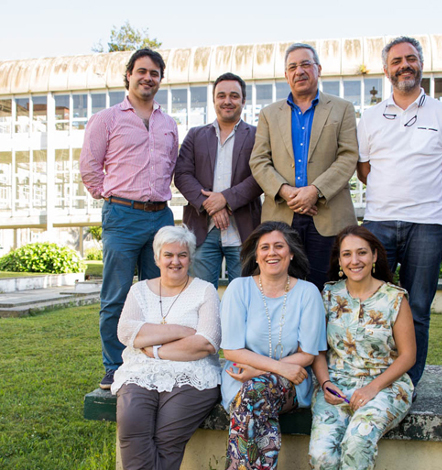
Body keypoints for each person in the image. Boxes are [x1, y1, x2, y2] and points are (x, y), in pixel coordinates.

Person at [357, 36, 442, 389]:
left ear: (421, 63)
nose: (405, 64)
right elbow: (364, 169)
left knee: (417, 308)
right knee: (376, 307)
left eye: (411, 58)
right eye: (397, 60)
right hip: (379, 222)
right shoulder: (370, 117)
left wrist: (423, 195)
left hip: (427, 225)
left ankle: (409, 383)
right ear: (386, 69)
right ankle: (375, 377)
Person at [80, 48, 178, 390]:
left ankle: (153, 357)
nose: (147, 77)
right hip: (122, 216)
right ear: (129, 75)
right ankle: (113, 365)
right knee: (116, 295)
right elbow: (90, 169)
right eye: (141, 71)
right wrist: (112, 198)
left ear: (160, 79)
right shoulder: (107, 118)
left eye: (154, 72)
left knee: (160, 294)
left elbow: (172, 167)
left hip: (161, 216)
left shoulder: (169, 123)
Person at [250, 43, 359, 290]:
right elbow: (258, 161)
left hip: (328, 214)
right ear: (286, 75)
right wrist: (286, 192)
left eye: (305, 64)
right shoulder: (269, 114)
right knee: (281, 289)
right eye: (292, 67)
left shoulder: (342, 109)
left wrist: (315, 191)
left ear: (318, 69)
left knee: (330, 289)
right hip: (281, 216)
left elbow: (348, 156)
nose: (299, 71)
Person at [111, 225, 221, 470]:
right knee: (131, 428)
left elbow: (207, 341)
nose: (175, 261)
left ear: (190, 258)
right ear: (157, 258)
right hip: (140, 373)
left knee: (166, 439)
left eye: (182, 255)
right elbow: (127, 332)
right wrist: (181, 331)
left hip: (192, 376)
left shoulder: (205, 291)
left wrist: (155, 348)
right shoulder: (138, 290)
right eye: (168, 255)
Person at [220, 221, 327, 469]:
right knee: (256, 401)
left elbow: (308, 354)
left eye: (279, 246)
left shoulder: (308, 293)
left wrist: (260, 372)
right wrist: (272, 370)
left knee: (254, 393)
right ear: (256, 256)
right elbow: (232, 350)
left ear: (290, 254)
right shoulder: (239, 288)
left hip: (288, 383)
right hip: (241, 378)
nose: (272, 252)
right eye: (264, 247)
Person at [309, 225, 416, 469]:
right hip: (336, 385)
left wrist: (371, 389)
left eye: (362, 253)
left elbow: (408, 356)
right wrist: (325, 383)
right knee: (321, 456)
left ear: (375, 256)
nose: (354, 260)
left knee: (358, 441)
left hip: (384, 386)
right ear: (339, 259)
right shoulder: (328, 295)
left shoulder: (394, 298)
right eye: (347, 254)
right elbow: (318, 349)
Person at [174, 72, 262, 289]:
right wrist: (210, 205)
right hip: (202, 230)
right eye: (221, 95)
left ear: (243, 100)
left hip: (243, 231)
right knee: (201, 298)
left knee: (245, 296)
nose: (227, 101)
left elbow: (261, 176)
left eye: (234, 95)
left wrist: (225, 200)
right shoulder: (195, 135)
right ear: (214, 100)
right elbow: (182, 175)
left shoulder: (258, 135)